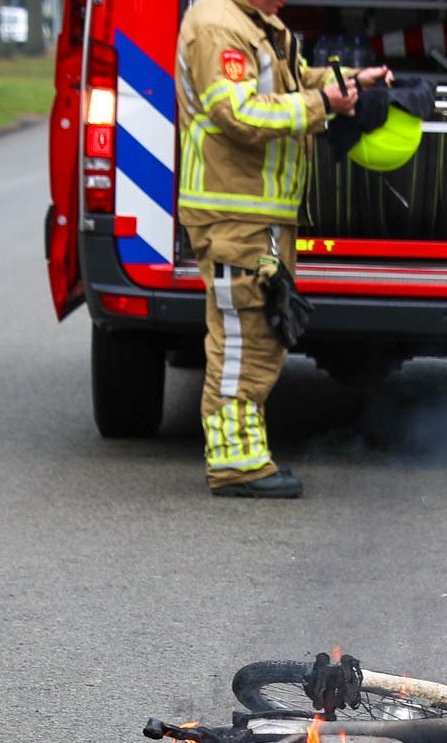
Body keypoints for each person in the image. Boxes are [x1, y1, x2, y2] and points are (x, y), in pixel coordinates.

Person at [176, 0, 386, 498]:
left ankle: (244, 456)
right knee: (240, 338)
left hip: (257, 213)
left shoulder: (255, 22)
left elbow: (287, 82)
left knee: (262, 335)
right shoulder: (216, 25)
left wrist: (348, 82)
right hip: (234, 213)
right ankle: (234, 465)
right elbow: (239, 113)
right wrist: (324, 107)